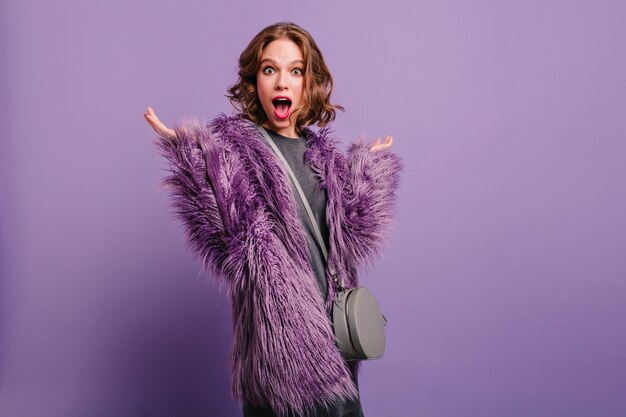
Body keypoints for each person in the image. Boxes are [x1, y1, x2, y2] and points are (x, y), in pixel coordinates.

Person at [144, 22, 401, 417]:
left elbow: (353, 238)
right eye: (270, 69)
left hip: (336, 347)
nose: (282, 82)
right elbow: (231, 237)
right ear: (254, 81)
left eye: (295, 71)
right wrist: (194, 161)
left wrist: (370, 173)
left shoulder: (323, 156)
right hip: (280, 353)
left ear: (308, 83)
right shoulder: (235, 152)